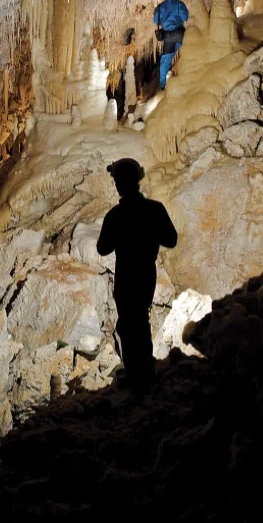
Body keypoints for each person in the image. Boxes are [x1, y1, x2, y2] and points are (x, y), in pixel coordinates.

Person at [96, 158, 178, 394]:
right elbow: (170, 239)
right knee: (140, 320)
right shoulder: (154, 209)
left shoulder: (115, 215)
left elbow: (103, 248)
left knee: (128, 324)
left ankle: (137, 378)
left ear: (120, 185)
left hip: (126, 273)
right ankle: (144, 374)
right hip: (145, 273)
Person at [153, 0, 189, 90]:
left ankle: (163, 86)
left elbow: (155, 21)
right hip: (180, 34)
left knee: (165, 61)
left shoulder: (160, 7)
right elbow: (185, 17)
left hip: (168, 37)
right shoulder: (179, 4)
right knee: (190, 49)